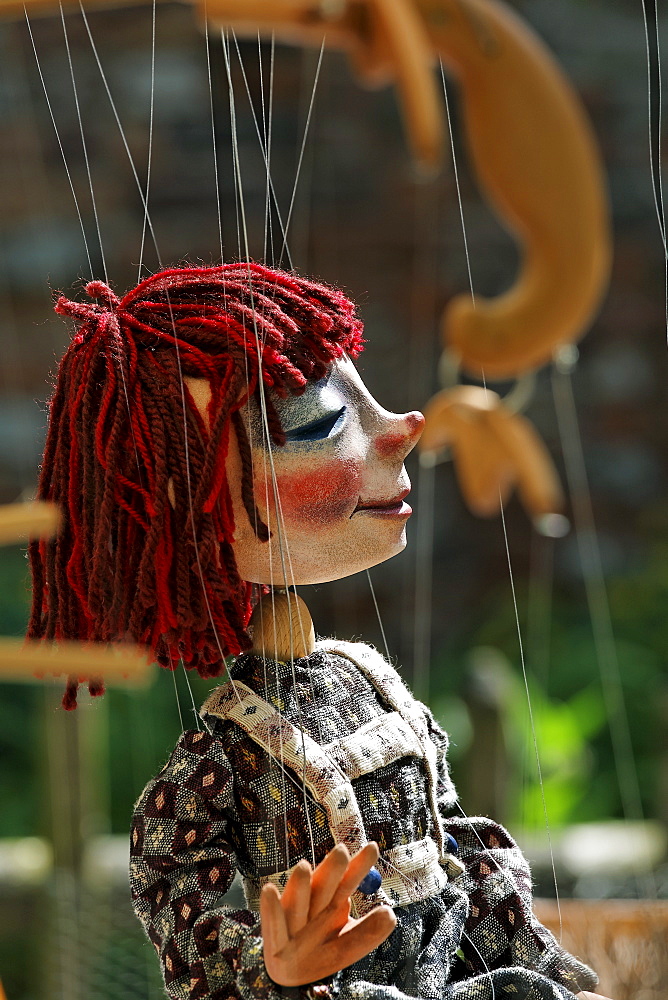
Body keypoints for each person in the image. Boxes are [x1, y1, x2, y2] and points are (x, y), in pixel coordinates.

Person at [31, 263, 611, 999]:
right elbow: (167, 880)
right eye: (321, 423)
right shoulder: (229, 751)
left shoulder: (372, 683)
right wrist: (269, 965)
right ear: (189, 494)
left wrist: (544, 967)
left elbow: (455, 844)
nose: (403, 427)